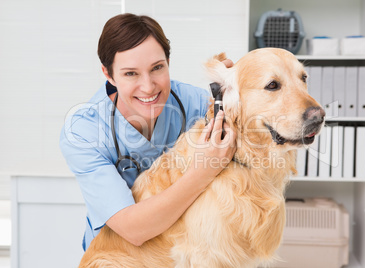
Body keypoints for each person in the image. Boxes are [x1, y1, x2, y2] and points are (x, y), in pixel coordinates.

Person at [59, 13, 236, 251]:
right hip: (119, 257)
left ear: (168, 62)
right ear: (108, 74)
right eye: (131, 73)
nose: (148, 86)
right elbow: (133, 229)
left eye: (157, 68)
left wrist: (238, 90)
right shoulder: (84, 132)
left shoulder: (193, 103)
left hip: (181, 253)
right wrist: (204, 170)